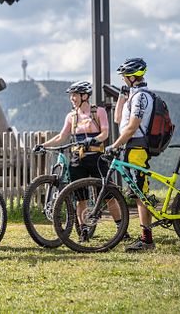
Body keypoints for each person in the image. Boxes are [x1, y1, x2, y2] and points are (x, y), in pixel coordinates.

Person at [33, 81, 125, 241]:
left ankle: (121, 228)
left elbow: (105, 133)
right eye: (71, 95)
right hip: (78, 159)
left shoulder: (99, 112)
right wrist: (43, 145)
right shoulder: (71, 116)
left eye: (74, 95)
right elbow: (61, 137)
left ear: (84, 96)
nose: (72, 98)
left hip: (97, 157)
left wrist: (93, 140)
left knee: (109, 195)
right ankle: (83, 230)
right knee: (80, 198)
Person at [109, 57, 156, 251]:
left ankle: (147, 241)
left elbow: (132, 127)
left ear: (132, 76)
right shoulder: (133, 95)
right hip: (131, 149)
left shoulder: (141, 97)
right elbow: (118, 118)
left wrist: (114, 145)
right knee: (138, 193)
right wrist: (122, 94)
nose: (122, 80)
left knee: (140, 194)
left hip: (137, 149)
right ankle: (146, 236)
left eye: (124, 77)